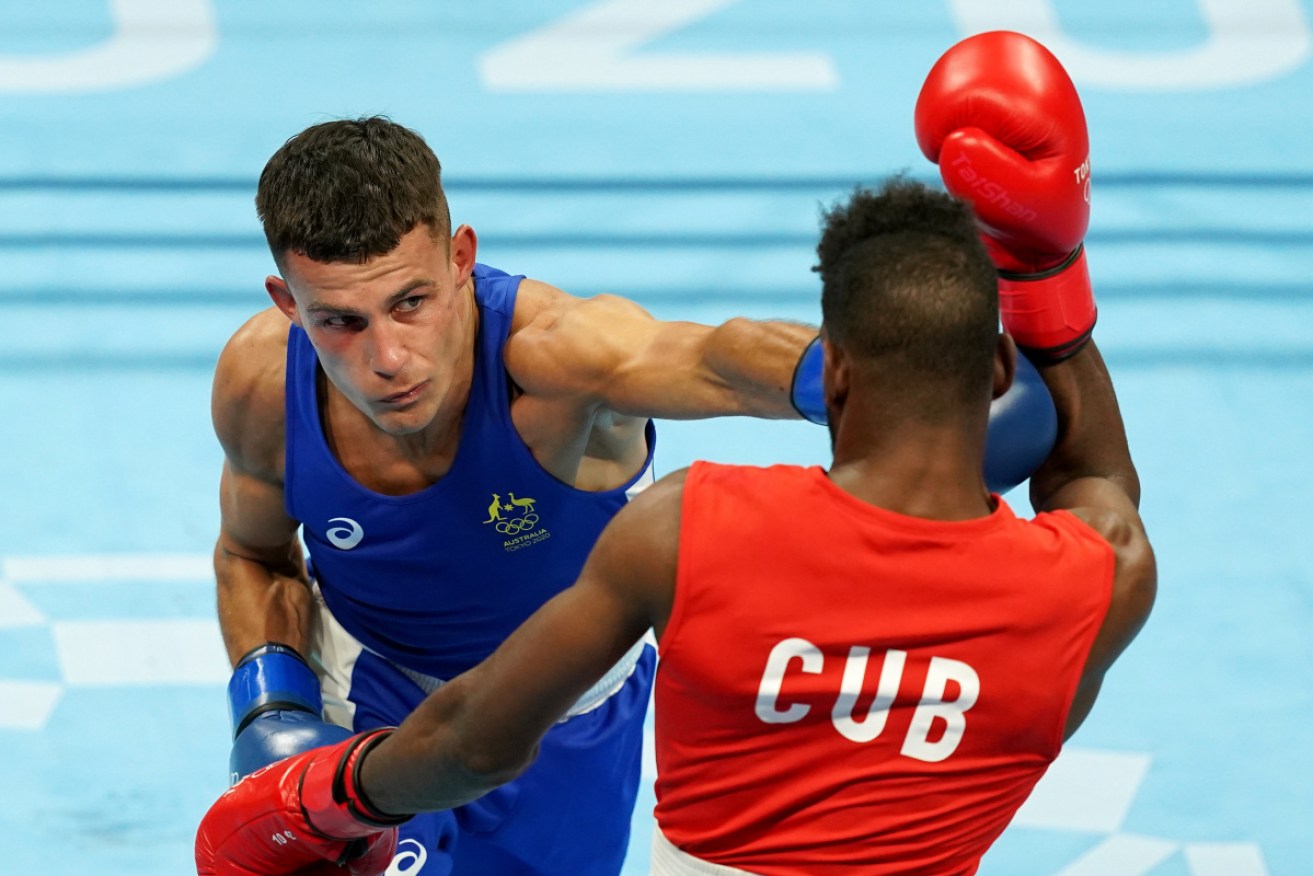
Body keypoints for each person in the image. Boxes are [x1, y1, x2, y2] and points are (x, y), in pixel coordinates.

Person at [195, 32, 1156, 876]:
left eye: (409, 303)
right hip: (369, 687)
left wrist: (875, 373)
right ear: (288, 306)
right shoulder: (258, 382)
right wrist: (268, 697)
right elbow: (252, 551)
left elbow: (717, 359)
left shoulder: (561, 358)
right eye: (340, 323)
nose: (388, 357)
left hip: (568, 718)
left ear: (460, 258)